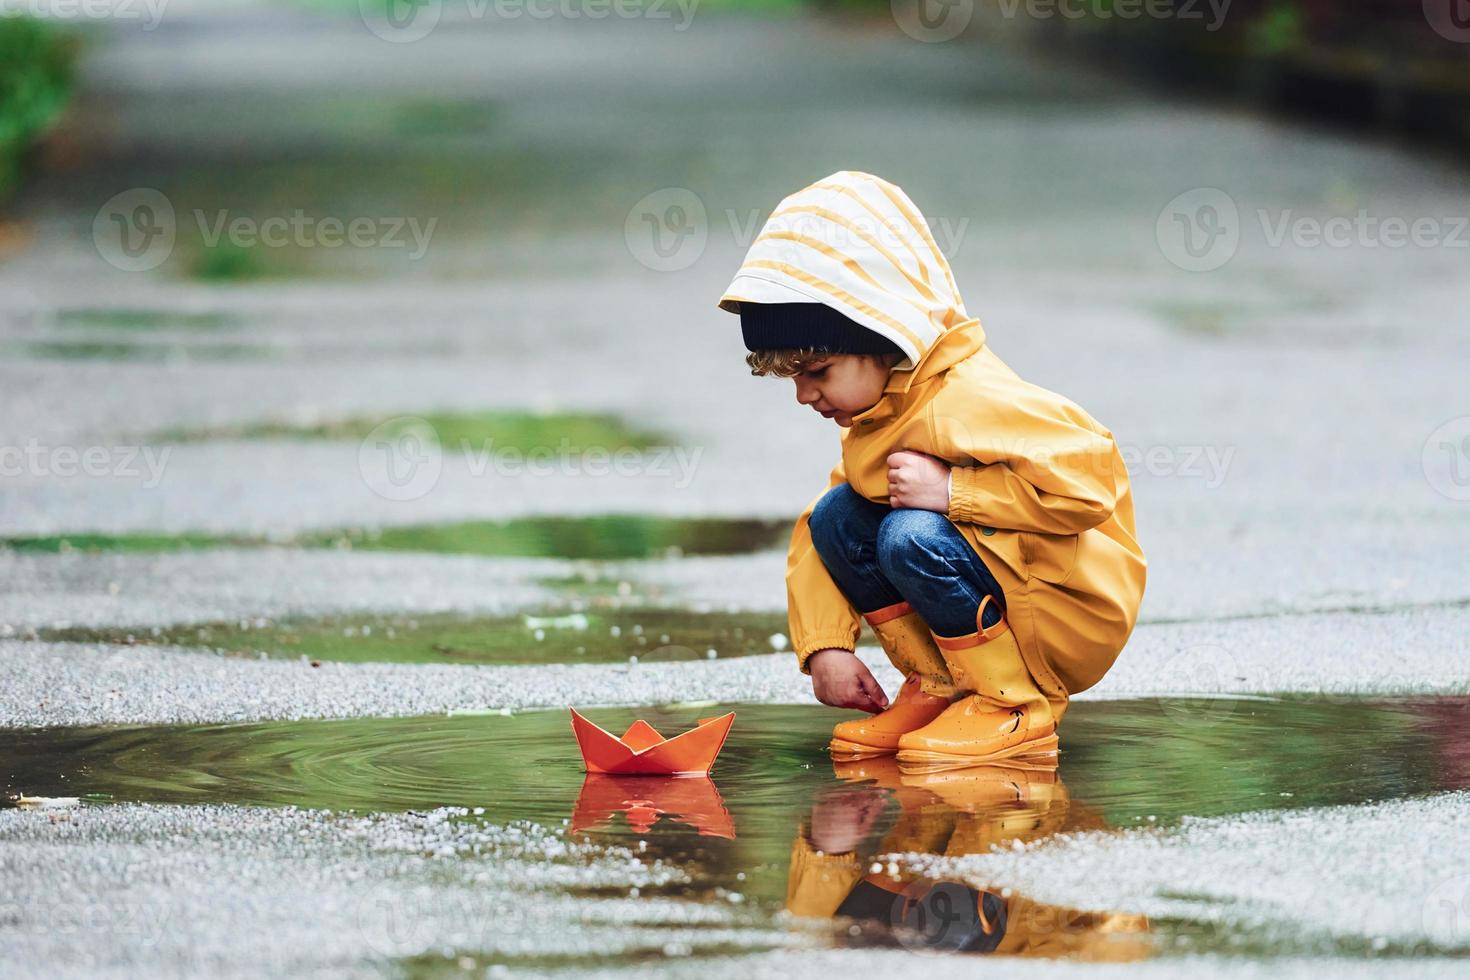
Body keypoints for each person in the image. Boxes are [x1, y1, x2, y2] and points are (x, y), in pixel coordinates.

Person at [714, 170, 1146, 769]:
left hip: (1060, 611)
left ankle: (1011, 705)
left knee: (908, 533)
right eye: (792, 379)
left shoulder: (966, 396)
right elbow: (823, 531)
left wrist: (954, 491)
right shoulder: (880, 412)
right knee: (839, 516)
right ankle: (940, 685)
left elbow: (1091, 481)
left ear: (881, 336)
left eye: (818, 372)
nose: (804, 396)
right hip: (997, 590)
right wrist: (825, 649)